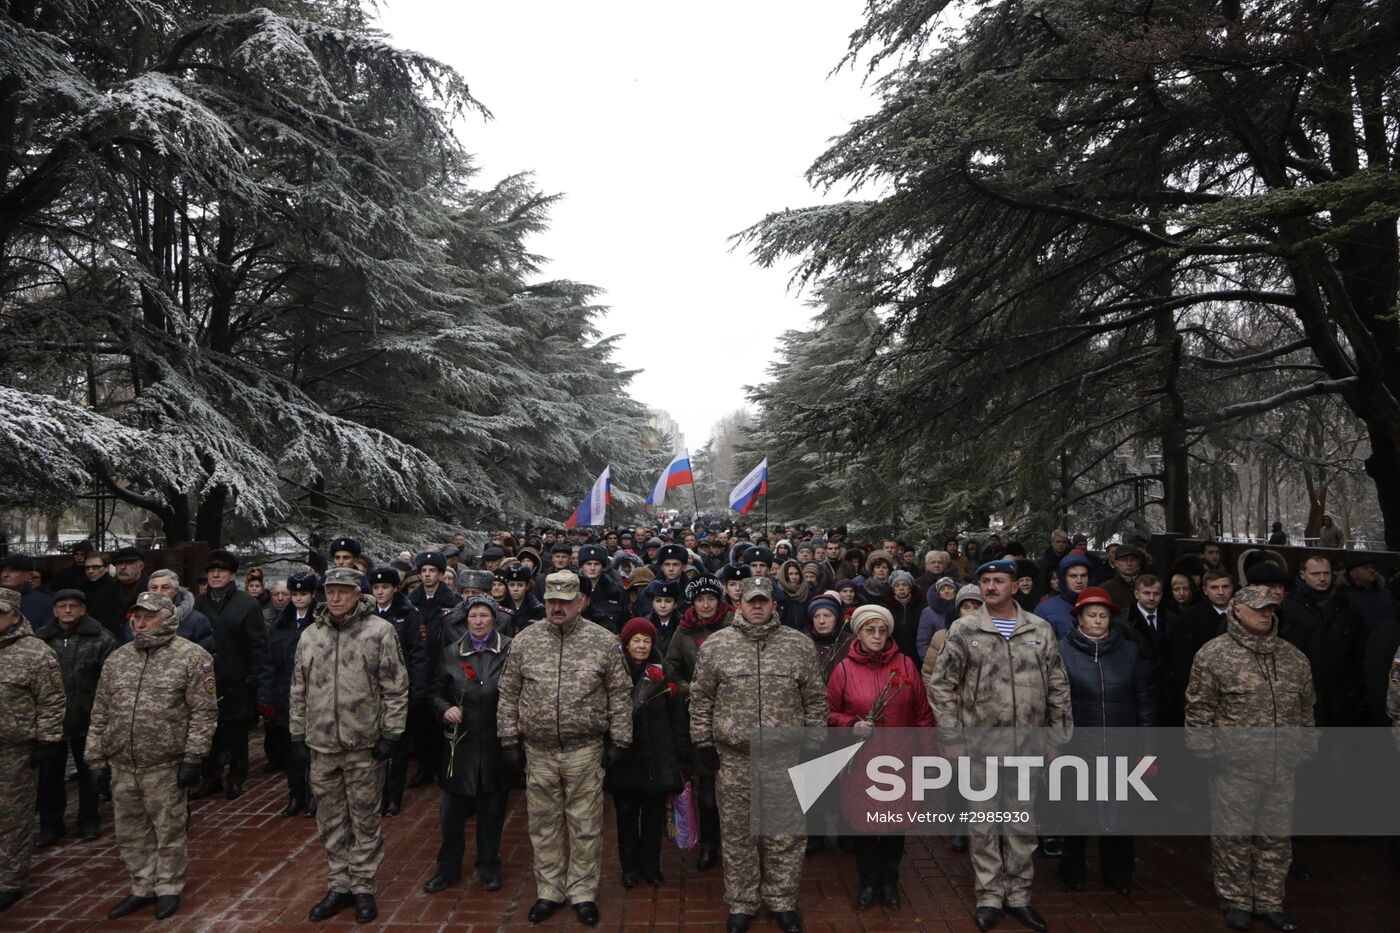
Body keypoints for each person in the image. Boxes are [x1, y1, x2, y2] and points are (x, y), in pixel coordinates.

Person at [929, 559, 1072, 933]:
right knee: (984, 825)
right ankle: (990, 896)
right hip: (980, 748)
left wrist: (1058, 738)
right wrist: (952, 738)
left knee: (1022, 824)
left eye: (999, 580)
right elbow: (942, 686)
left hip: (1028, 746)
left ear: (1016, 585)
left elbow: (1058, 684)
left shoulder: (1039, 630)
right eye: (986, 581)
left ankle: (1020, 896)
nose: (992, 587)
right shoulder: (964, 629)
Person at [689, 576, 828, 933]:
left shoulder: (798, 645)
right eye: (750, 600)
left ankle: (782, 901)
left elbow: (814, 699)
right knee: (738, 835)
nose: (756, 606)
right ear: (739, 604)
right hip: (734, 758)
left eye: (763, 601)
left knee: (786, 834)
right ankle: (742, 902)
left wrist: (815, 745)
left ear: (774, 606)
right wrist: (703, 743)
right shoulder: (717, 646)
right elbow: (701, 698)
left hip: (786, 756)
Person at [496, 570, 633, 927]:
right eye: (552, 601)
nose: (557, 607)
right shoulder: (525, 641)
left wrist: (619, 740)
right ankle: (550, 890)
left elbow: (619, 694)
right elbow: (509, 693)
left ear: (580, 602)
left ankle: (583, 892)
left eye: (565, 601)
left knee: (585, 825)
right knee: (543, 824)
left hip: (584, 750)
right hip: (538, 750)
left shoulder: (603, 642)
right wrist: (508, 738)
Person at [1186, 586, 1316, 933]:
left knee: (1275, 839)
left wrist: (1303, 749)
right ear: (1237, 610)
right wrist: (1206, 755)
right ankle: (1236, 901)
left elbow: (1306, 709)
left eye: (1270, 608)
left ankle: (1271, 902)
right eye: (1258, 608)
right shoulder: (1214, 655)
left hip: (1281, 767)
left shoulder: (1293, 657)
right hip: (1234, 767)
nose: (1266, 614)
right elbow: (1199, 710)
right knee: (1233, 837)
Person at [86, 591, 217, 920]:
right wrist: (96, 758)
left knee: (169, 828)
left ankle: (169, 886)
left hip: (164, 763)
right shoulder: (118, 658)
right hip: (122, 763)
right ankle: (142, 885)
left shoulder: (192, 657)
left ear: (168, 617)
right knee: (129, 830)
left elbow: (204, 713)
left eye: (149, 616)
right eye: (137, 617)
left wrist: (193, 758)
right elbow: (101, 711)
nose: (140, 623)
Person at [289, 566, 409, 924]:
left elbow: (395, 687)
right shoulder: (311, 634)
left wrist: (391, 734)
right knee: (330, 818)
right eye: (331, 591)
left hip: (364, 745)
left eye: (344, 591)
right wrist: (297, 733)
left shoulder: (380, 632)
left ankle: (363, 886)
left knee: (365, 818)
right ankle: (338, 883)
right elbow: (298, 687)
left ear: (359, 593)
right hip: (322, 745)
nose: (336, 598)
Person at [826, 604, 933, 911]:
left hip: (901, 761)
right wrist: (850, 724)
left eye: (882, 630)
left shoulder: (906, 665)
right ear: (858, 633)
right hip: (861, 763)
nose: (876, 636)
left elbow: (922, 714)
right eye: (870, 630)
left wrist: (929, 757)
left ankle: (889, 881)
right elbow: (827, 712)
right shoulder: (844, 669)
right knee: (863, 826)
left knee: (895, 827)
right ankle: (868, 882)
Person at [1056, 587, 1154, 895]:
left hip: (1122, 746)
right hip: (1078, 747)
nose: (1098, 621)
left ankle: (1118, 873)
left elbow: (1145, 703)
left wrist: (1148, 750)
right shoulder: (1061, 651)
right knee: (1075, 812)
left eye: (1103, 615)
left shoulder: (1129, 651)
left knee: (1122, 813)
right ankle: (1073, 869)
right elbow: (1053, 703)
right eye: (1091, 615)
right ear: (1079, 619)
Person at [424, 594, 512, 894]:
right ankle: (447, 868)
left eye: (484, 616)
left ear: (494, 619)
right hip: (458, 747)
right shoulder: (451, 653)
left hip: (494, 743)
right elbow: (435, 691)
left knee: (492, 812)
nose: (478, 621)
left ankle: (488, 865)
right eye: (473, 616)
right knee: (451, 815)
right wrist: (444, 709)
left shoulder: (510, 649)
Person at [607, 618, 691, 888]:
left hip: (657, 757)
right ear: (626, 642)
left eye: (646, 641)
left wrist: (681, 754)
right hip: (625, 757)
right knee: (626, 816)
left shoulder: (663, 672)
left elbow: (677, 717)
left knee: (654, 817)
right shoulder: (615, 670)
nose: (641, 646)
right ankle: (629, 867)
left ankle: (651, 866)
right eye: (636, 640)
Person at [34, 588, 118, 846]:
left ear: (83, 609)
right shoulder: (40, 640)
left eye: (73, 606)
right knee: (50, 776)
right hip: (52, 719)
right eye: (62, 606)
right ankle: (51, 826)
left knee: (89, 774)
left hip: (89, 717)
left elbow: (111, 679)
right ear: (54, 611)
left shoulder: (102, 638)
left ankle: (89, 821)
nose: (68, 611)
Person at [0, 588, 66, 912]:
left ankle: (9, 880)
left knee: (12, 818)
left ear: (15, 615)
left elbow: (52, 700)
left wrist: (48, 739)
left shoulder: (36, 652)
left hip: (15, 749)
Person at [665, 574, 733, 871]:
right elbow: (671, 667)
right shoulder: (684, 631)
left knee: (737, 788)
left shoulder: (734, 624)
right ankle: (709, 843)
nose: (705, 604)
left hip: (734, 714)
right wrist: (687, 688)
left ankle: (737, 843)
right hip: (701, 716)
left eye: (711, 599)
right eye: (700, 599)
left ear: (719, 600)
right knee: (706, 789)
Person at [193, 548, 265, 800]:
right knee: (207, 731)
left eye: (220, 571)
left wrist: (253, 677)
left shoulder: (247, 603)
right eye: (211, 571)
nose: (215, 575)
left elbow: (257, 643)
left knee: (236, 734)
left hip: (236, 678)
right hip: (203, 680)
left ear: (232, 575)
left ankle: (236, 778)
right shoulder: (199, 603)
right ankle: (210, 777)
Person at [368, 566, 428, 816]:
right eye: (376, 588)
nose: (380, 592)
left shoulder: (409, 615)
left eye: (385, 587)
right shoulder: (365, 613)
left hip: (400, 690)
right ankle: (375, 795)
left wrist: (416, 692)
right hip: (371, 691)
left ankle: (393, 797)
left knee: (399, 748)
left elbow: (418, 656)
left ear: (395, 588)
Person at [259, 571, 318, 817]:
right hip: (285, 695)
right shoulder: (281, 625)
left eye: (303, 594)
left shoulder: (320, 622)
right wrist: (265, 699)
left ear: (313, 595)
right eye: (295, 594)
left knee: (315, 751)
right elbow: (268, 664)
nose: (297, 599)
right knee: (292, 751)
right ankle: (296, 795)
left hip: (315, 695)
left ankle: (316, 796)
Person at [1163, 568, 1234, 727]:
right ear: (1205, 590)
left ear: (1232, 588)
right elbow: (1181, 663)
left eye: (1225, 587)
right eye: (1215, 588)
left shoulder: (1243, 615)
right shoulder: (1189, 619)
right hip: (1203, 692)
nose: (1221, 592)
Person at [88, 546, 149, 637]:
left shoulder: (151, 590)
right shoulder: (103, 594)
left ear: (141, 566)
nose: (123, 567)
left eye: (129, 563)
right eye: (119, 563)